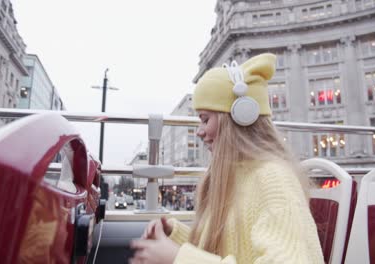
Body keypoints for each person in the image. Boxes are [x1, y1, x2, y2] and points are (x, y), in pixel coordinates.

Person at [129, 53, 324, 264]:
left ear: (240, 116)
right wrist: (175, 234)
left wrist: (178, 258)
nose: (200, 132)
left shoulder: (274, 179)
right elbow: (231, 249)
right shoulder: (236, 175)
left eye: (205, 120)